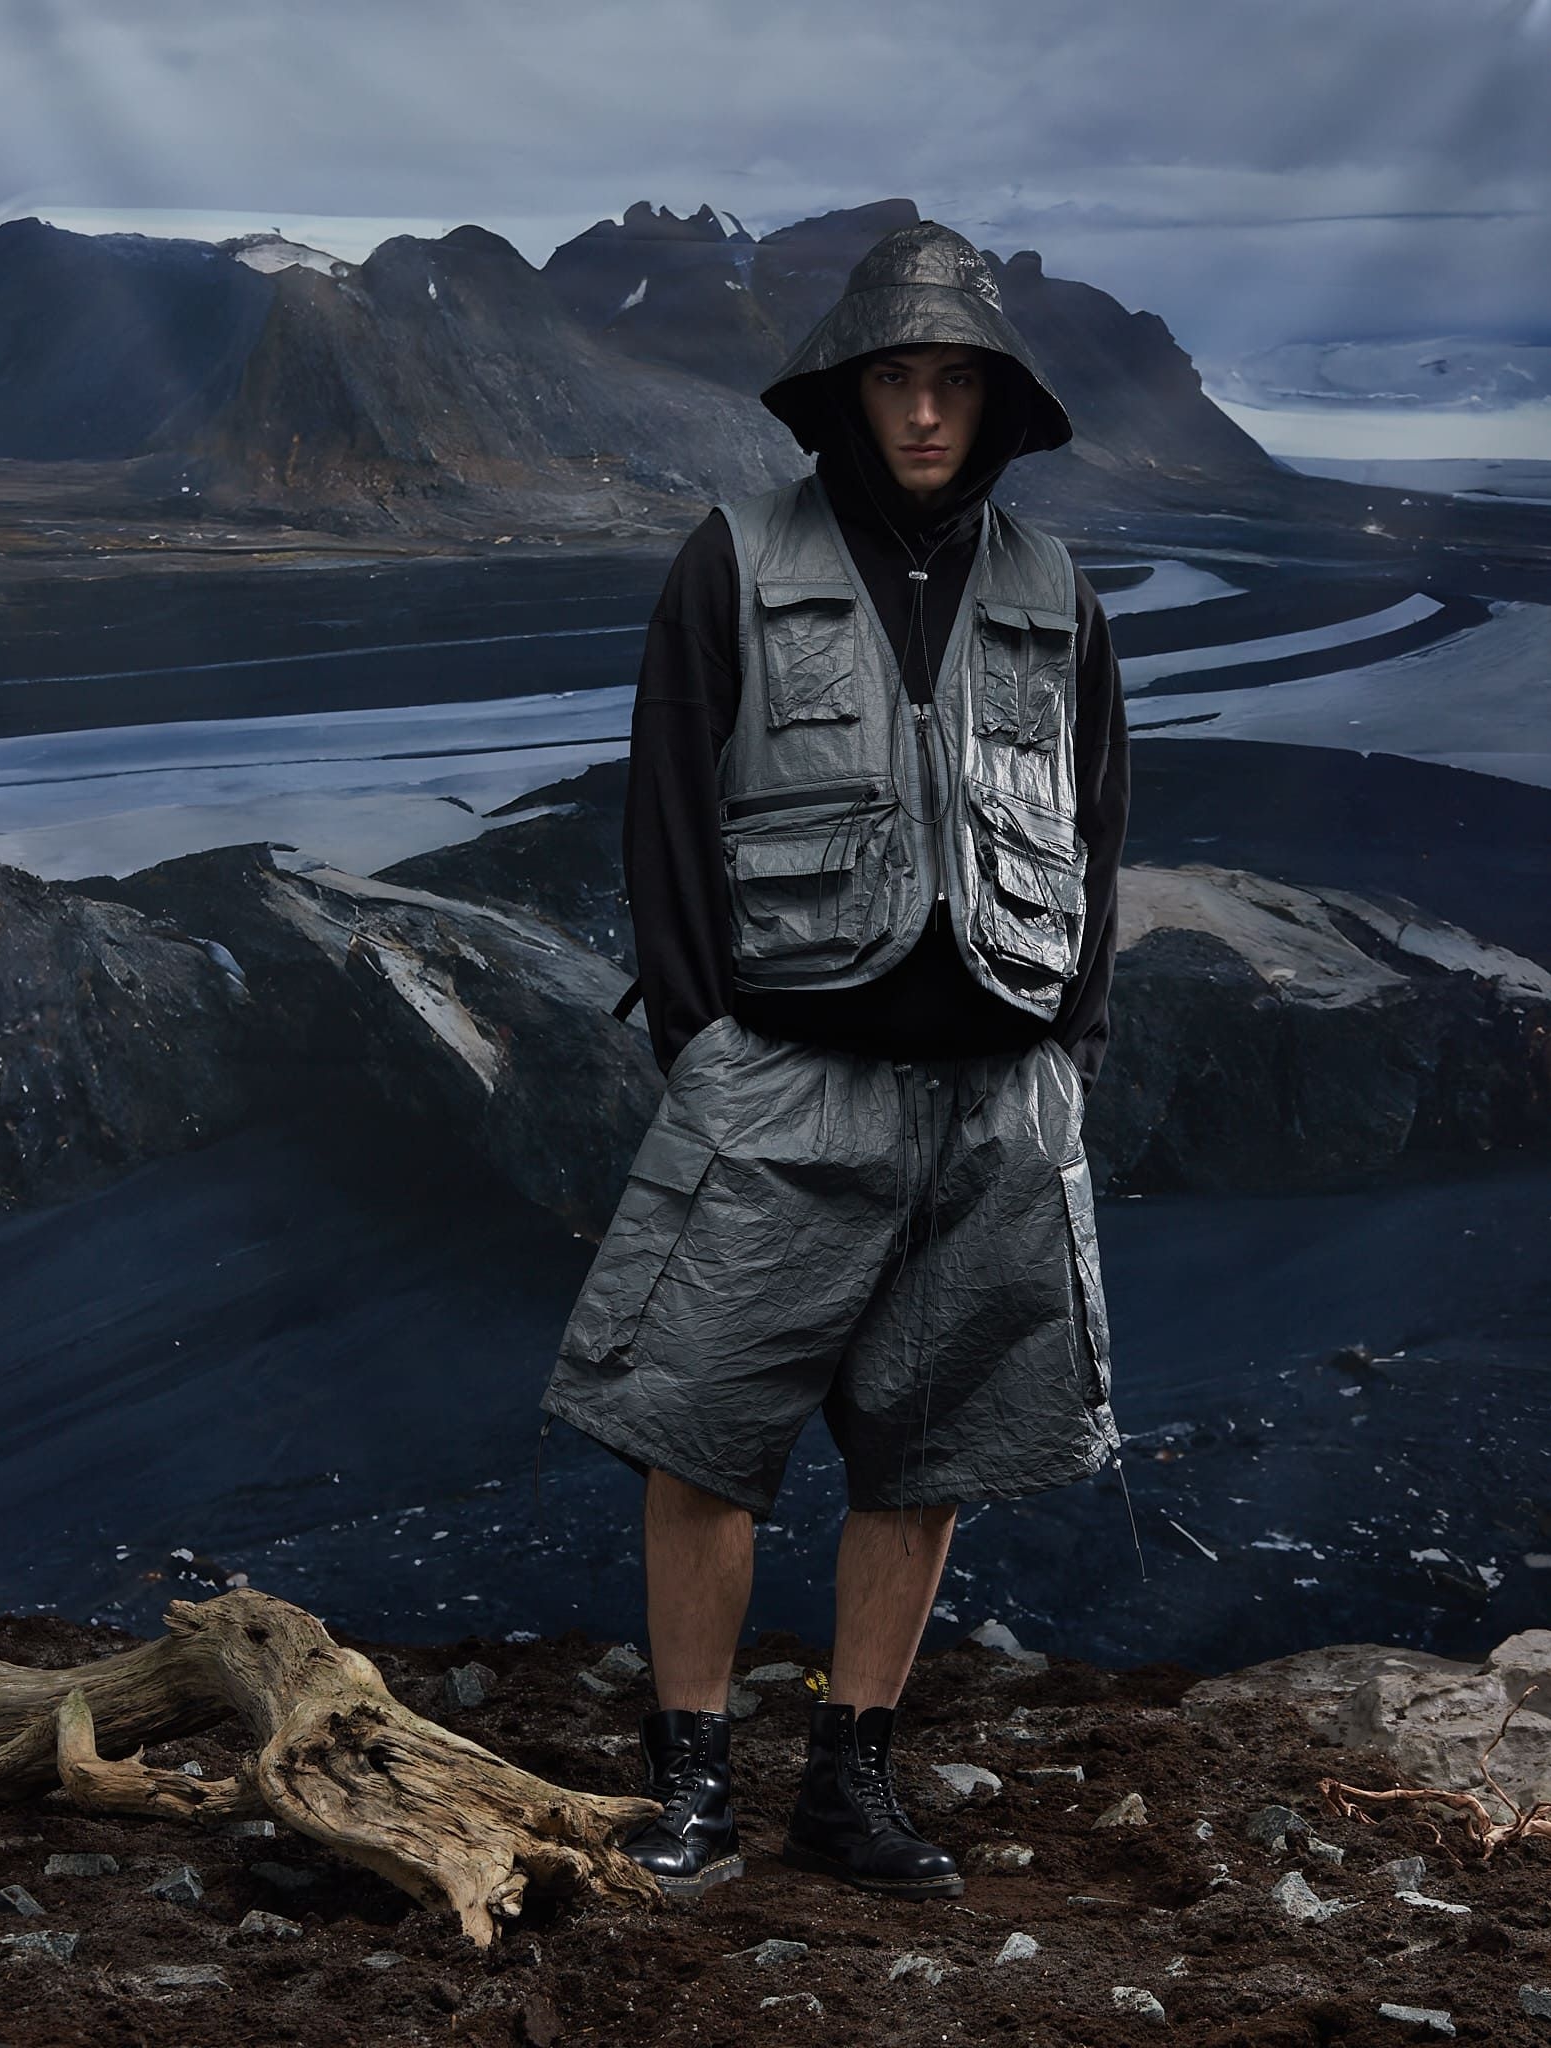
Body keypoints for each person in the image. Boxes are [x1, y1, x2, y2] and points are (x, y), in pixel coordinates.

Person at [539, 219, 1137, 1904]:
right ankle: (691, 1780)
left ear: (998, 401)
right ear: (845, 393)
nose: (925, 412)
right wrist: (707, 1053)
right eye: (895, 379)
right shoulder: (733, 559)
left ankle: (848, 1785)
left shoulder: (1056, 594)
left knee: (930, 1454)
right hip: (782, 1082)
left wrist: (1067, 1054)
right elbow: (665, 823)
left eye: (954, 381)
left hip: (996, 1103)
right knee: (700, 1439)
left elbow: (1096, 832)